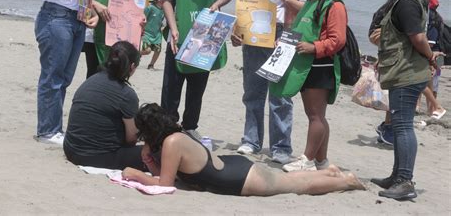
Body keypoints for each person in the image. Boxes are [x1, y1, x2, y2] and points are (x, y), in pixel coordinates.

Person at [121, 103, 365, 196]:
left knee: (296, 187)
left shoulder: (173, 143)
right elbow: (167, 175)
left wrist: (135, 173)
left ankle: (346, 181)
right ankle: (329, 173)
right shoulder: (175, 138)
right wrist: (148, 157)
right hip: (233, 169)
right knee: (288, 178)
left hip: (240, 178)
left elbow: (165, 185)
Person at [230, 0, 307, 164]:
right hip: (254, 38)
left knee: (280, 96)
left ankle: (281, 147)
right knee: (252, 92)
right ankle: (251, 141)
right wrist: (237, 32)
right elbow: (244, 10)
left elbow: (307, 7)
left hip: (283, 36)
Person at [370, 0, 442, 200]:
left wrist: (431, 56)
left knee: (402, 127)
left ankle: (404, 181)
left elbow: (418, 38)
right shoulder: (407, 1)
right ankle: (397, 176)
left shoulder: (406, 3)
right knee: (400, 125)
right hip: (405, 71)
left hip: (408, 73)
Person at [157, 0, 236, 139]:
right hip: (180, 35)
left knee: (197, 86)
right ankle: (168, 126)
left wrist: (217, 4)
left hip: (206, 36)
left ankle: (190, 126)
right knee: (172, 86)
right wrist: (172, 28)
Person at [269, 0, 348, 172]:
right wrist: (284, 41)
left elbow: (338, 39)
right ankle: (321, 161)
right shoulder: (313, 1)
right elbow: (299, 29)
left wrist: (314, 47)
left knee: (315, 115)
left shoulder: (334, 4)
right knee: (316, 115)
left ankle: (307, 159)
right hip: (305, 64)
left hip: (321, 66)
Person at [35, 0, 100, 145]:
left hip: (76, 19)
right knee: (53, 77)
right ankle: (48, 131)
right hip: (55, 17)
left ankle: (54, 129)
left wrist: (91, 12)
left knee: (64, 77)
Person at [63, 41, 145, 170]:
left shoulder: (90, 80)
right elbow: (131, 139)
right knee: (156, 154)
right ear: (132, 66)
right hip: (95, 156)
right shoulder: (127, 94)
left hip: (71, 149)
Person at [416, 0, 446, 119]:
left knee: (428, 83)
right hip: (431, 54)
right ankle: (428, 107)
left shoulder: (432, 16)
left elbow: (430, 40)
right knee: (428, 83)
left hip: (432, 54)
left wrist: (430, 57)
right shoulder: (417, 5)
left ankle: (434, 108)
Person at [141, 0, 165, 69]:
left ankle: (151, 65)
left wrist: (163, 27)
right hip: (147, 33)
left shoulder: (164, 10)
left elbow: (163, 22)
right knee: (147, 51)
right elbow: (142, 17)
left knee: (158, 50)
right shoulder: (150, 8)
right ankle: (137, 53)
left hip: (157, 34)